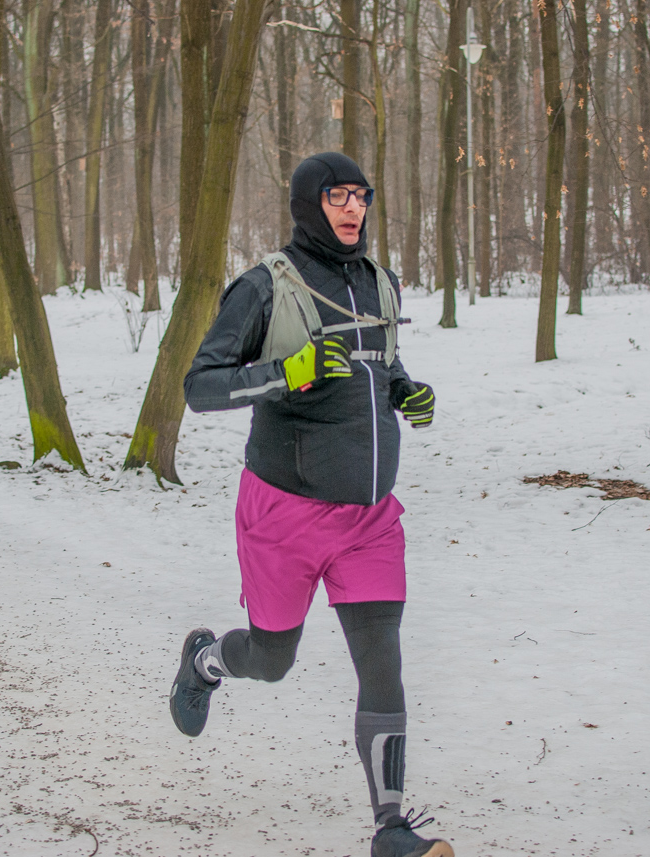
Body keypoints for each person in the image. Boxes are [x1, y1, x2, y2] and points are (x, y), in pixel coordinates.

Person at [168, 153, 448, 857]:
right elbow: (200, 386)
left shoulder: (380, 282)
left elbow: (380, 362)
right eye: (337, 196)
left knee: (382, 661)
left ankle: (391, 828)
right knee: (271, 659)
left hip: (369, 517)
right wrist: (286, 373)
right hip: (285, 512)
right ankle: (206, 661)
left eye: (361, 195)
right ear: (307, 204)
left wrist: (405, 390)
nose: (353, 208)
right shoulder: (266, 286)